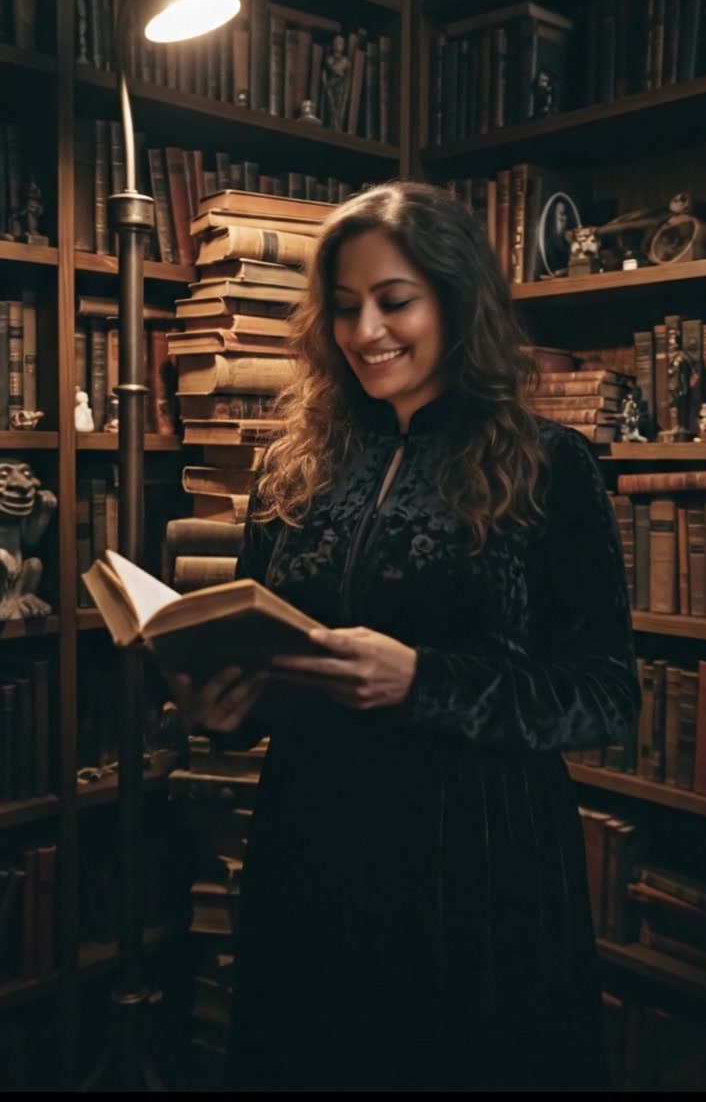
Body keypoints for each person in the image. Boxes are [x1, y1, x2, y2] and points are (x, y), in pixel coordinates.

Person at [166, 181, 639, 1093]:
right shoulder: (293, 463)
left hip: (475, 858)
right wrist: (224, 704)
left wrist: (425, 681)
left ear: (457, 302)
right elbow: (266, 644)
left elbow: (605, 693)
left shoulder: (549, 463)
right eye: (345, 307)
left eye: (395, 301)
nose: (366, 331)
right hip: (312, 841)